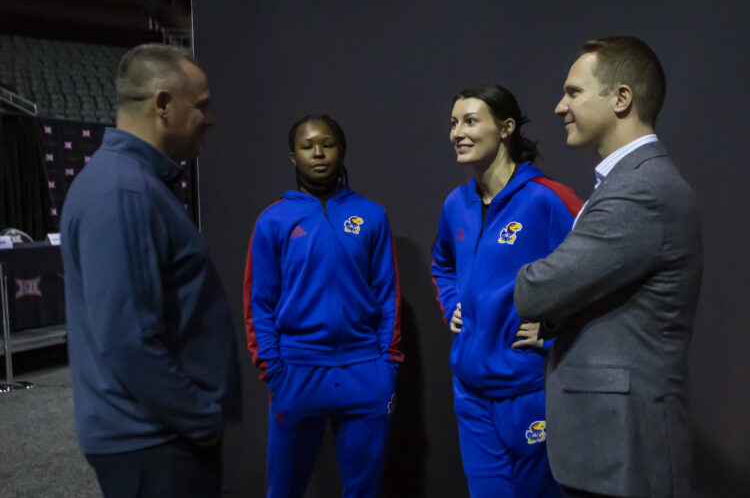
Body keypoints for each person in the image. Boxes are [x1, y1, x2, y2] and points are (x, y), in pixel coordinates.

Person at [514, 36, 703, 498]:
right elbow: (604, 293)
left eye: (573, 92)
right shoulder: (629, 183)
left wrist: (534, 289)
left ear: (621, 98)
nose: (560, 106)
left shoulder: (641, 189)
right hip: (612, 453)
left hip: (625, 456)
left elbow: (537, 291)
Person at [61, 44, 241, 498]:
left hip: (158, 437)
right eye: (201, 106)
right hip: (156, 443)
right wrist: (201, 421)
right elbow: (128, 341)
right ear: (162, 104)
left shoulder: (131, 184)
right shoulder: (123, 192)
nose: (210, 119)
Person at [430, 84, 582, 498]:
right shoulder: (456, 204)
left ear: (506, 128)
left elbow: (601, 274)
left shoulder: (547, 199)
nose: (457, 133)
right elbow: (442, 263)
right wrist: (453, 303)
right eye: (454, 123)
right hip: (471, 395)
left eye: (470, 121)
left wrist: (553, 333)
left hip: (530, 392)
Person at [243, 114, 402, 498]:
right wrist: (274, 370)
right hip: (298, 370)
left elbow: (388, 294)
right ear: (293, 156)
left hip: (365, 370)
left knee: (365, 491)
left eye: (327, 144)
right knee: (283, 490)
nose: (318, 153)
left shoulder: (371, 215)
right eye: (307, 146)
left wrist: (386, 364)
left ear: (342, 151)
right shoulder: (273, 220)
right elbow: (259, 302)